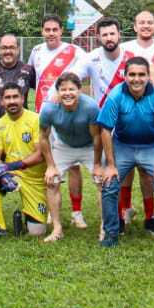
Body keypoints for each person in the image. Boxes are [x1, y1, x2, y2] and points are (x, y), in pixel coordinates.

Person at [86, 16, 154, 234]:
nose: (109, 37)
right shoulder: (91, 58)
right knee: (117, 172)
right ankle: (120, 215)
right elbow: (72, 79)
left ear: (119, 35)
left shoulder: (132, 58)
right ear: (98, 37)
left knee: (145, 173)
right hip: (107, 125)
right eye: (104, 34)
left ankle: (149, 216)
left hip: (134, 121)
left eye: (112, 33)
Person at [97, 56, 154, 247]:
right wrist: (111, 165)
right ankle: (111, 233)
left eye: (141, 75)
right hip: (123, 145)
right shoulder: (116, 95)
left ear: (148, 76)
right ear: (125, 76)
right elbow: (105, 129)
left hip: (152, 146)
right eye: (132, 74)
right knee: (109, 183)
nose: (136, 79)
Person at [38, 73, 101, 240]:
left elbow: (97, 137)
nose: (67, 93)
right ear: (57, 91)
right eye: (63, 89)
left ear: (80, 90)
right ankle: (57, 229)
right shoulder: (49, 108)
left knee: (103, 181)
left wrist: (97, 165)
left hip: (88, 147)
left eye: (72, 89)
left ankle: (105, 227)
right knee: (51, 181)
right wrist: (51, 166)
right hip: (63, 146)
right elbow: (43, 137)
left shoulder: (91, 107)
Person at [0, 86, 49, 239]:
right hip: (12, 174)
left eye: (15, 97)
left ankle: (28, 216)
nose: (12, 101)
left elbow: (40, 155)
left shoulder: (35, 119)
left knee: (36, 232)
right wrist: (3, 171)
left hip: (35, 179)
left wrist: (10, 165)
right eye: (7, 98)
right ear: (1, 101)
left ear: (23, 99)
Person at [29, 15, 86, 109]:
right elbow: (32, 77)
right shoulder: (36, 50)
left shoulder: (75, 51)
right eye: (47, 30)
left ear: (61, 30)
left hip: (66, 110)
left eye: (55, 30)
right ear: (42, 31)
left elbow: (88, 72)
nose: (51, 33)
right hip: (41, 109)